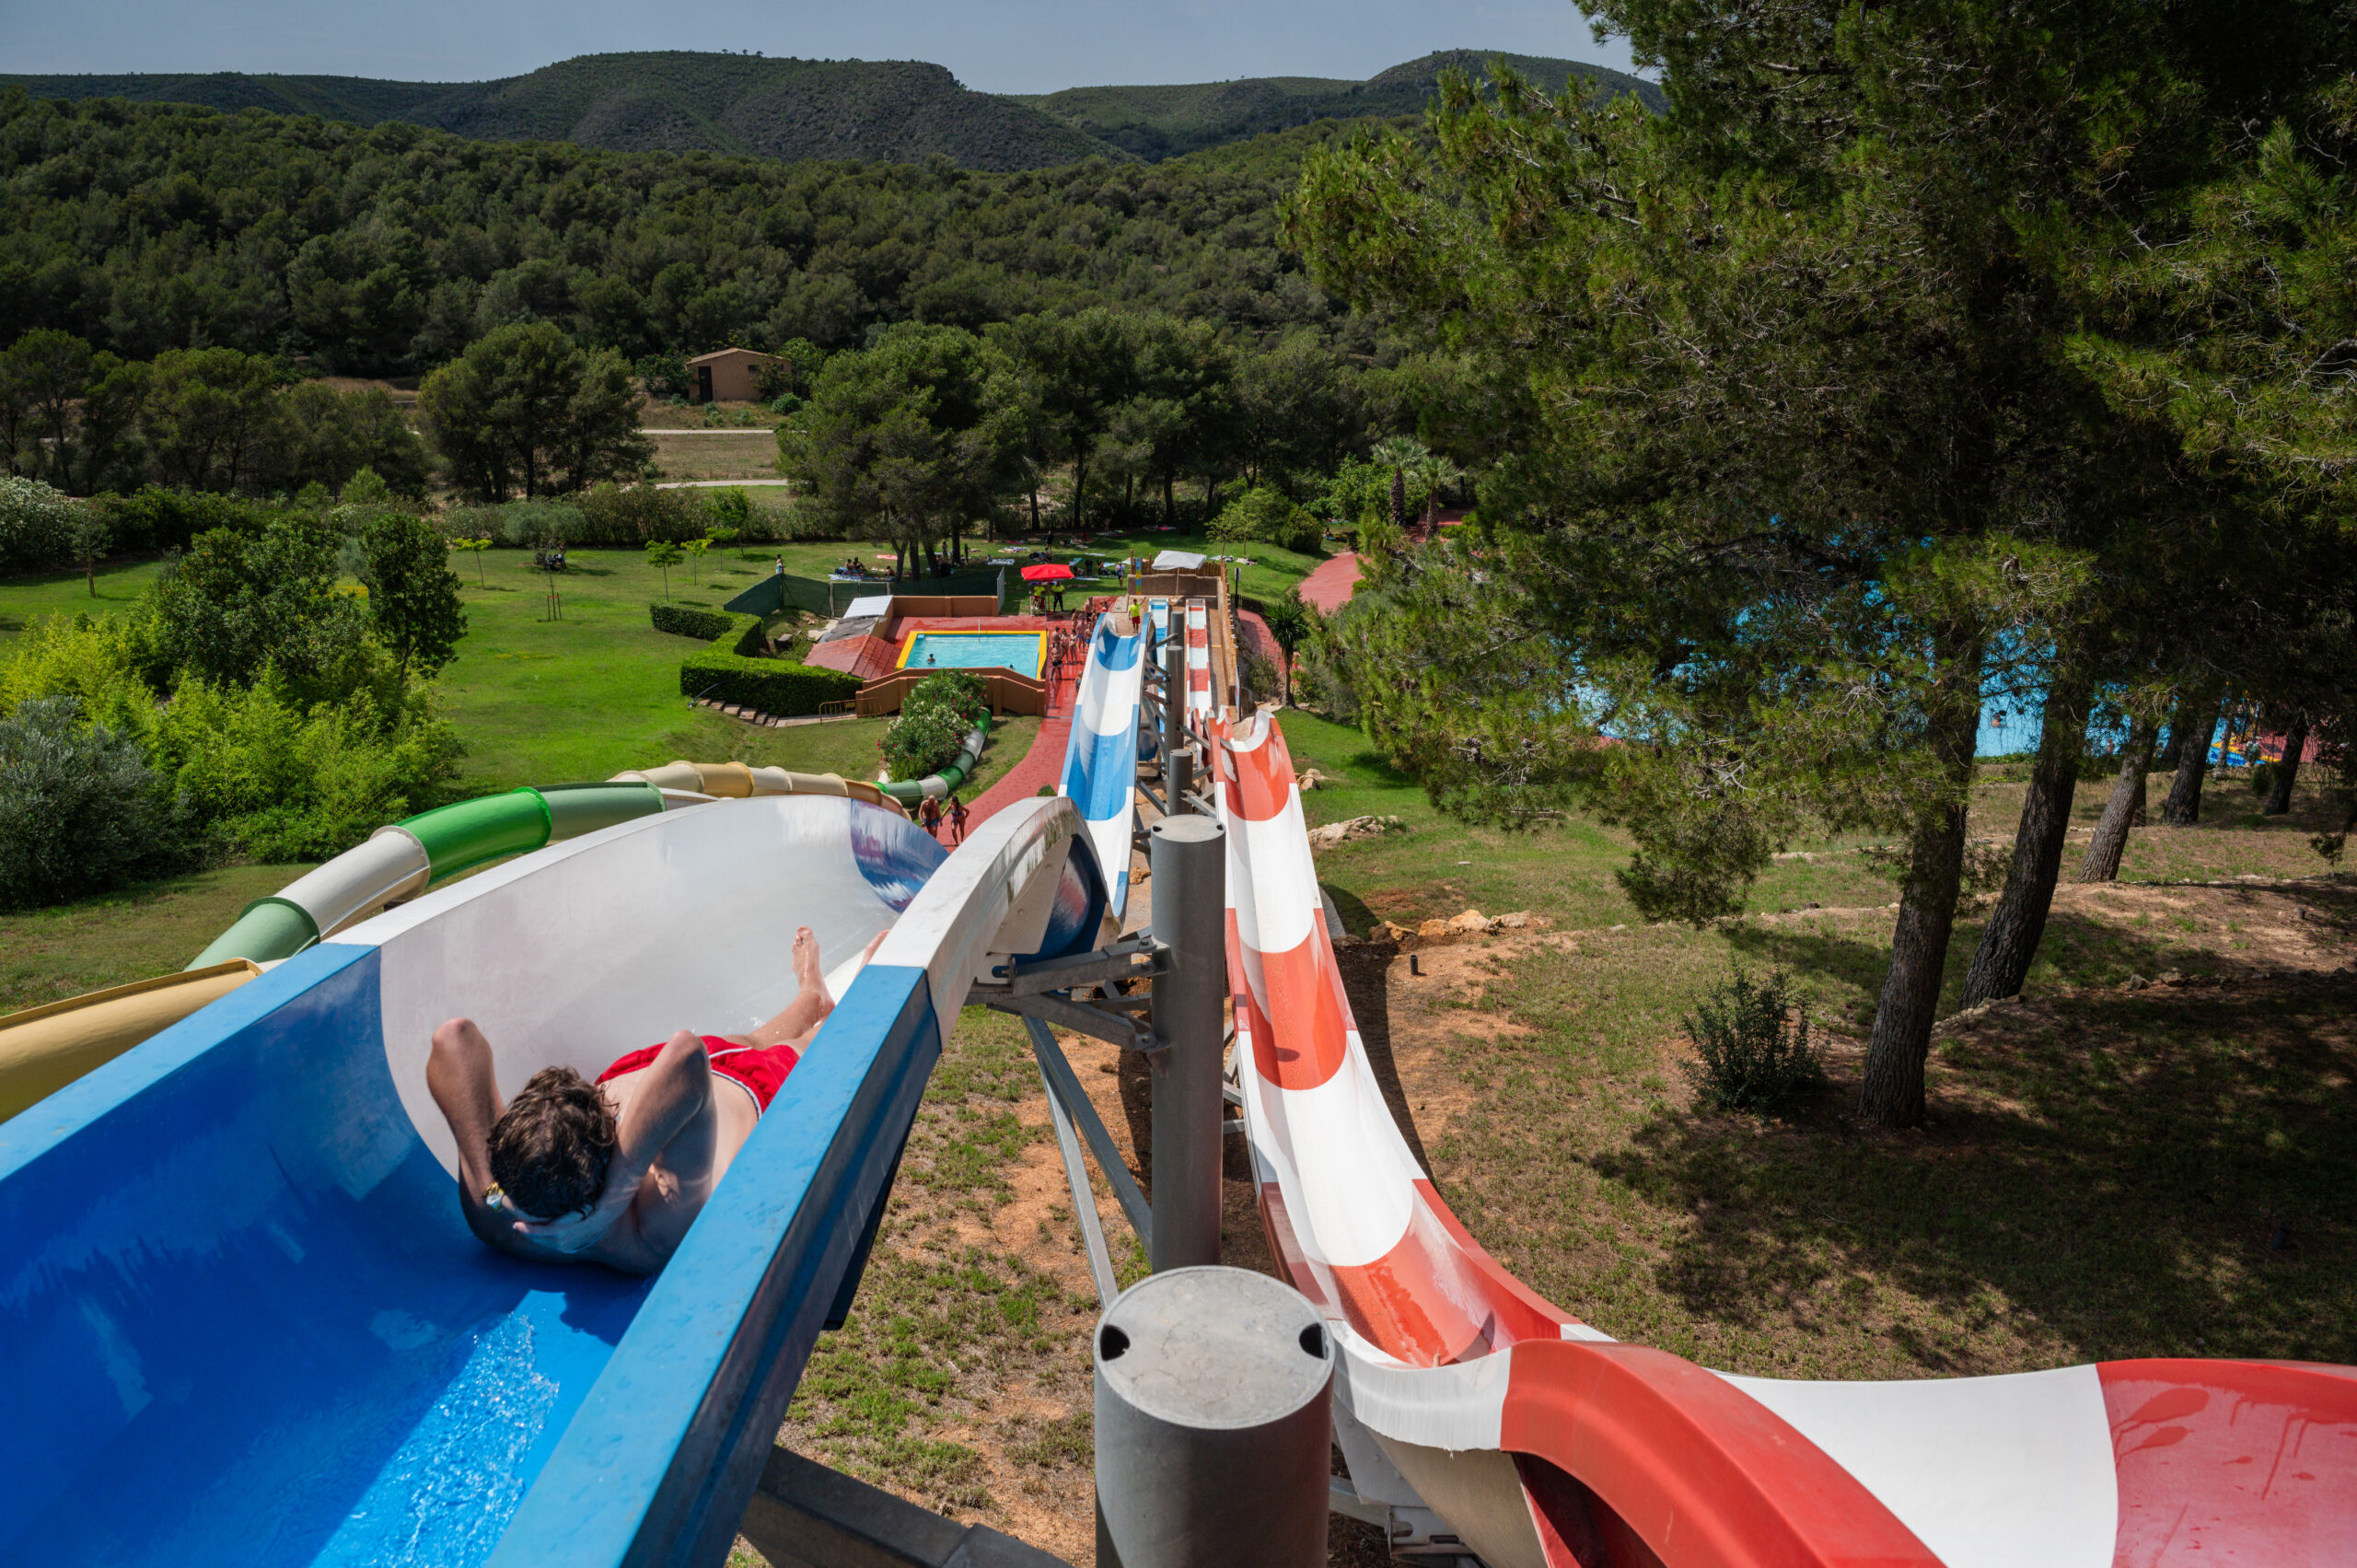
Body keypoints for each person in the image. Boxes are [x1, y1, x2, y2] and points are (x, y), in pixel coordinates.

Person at [425, 925, 880, 1274]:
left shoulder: (497, 1215)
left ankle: (809, 993)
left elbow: (454, 1039)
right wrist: (613, 1200)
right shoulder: (652, 1230)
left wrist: (489, 1183)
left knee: (757, 1034)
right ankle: (832, 999)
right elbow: (686, 1057)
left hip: (648, 1070)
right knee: (808, 1041)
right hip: (747, 1089)